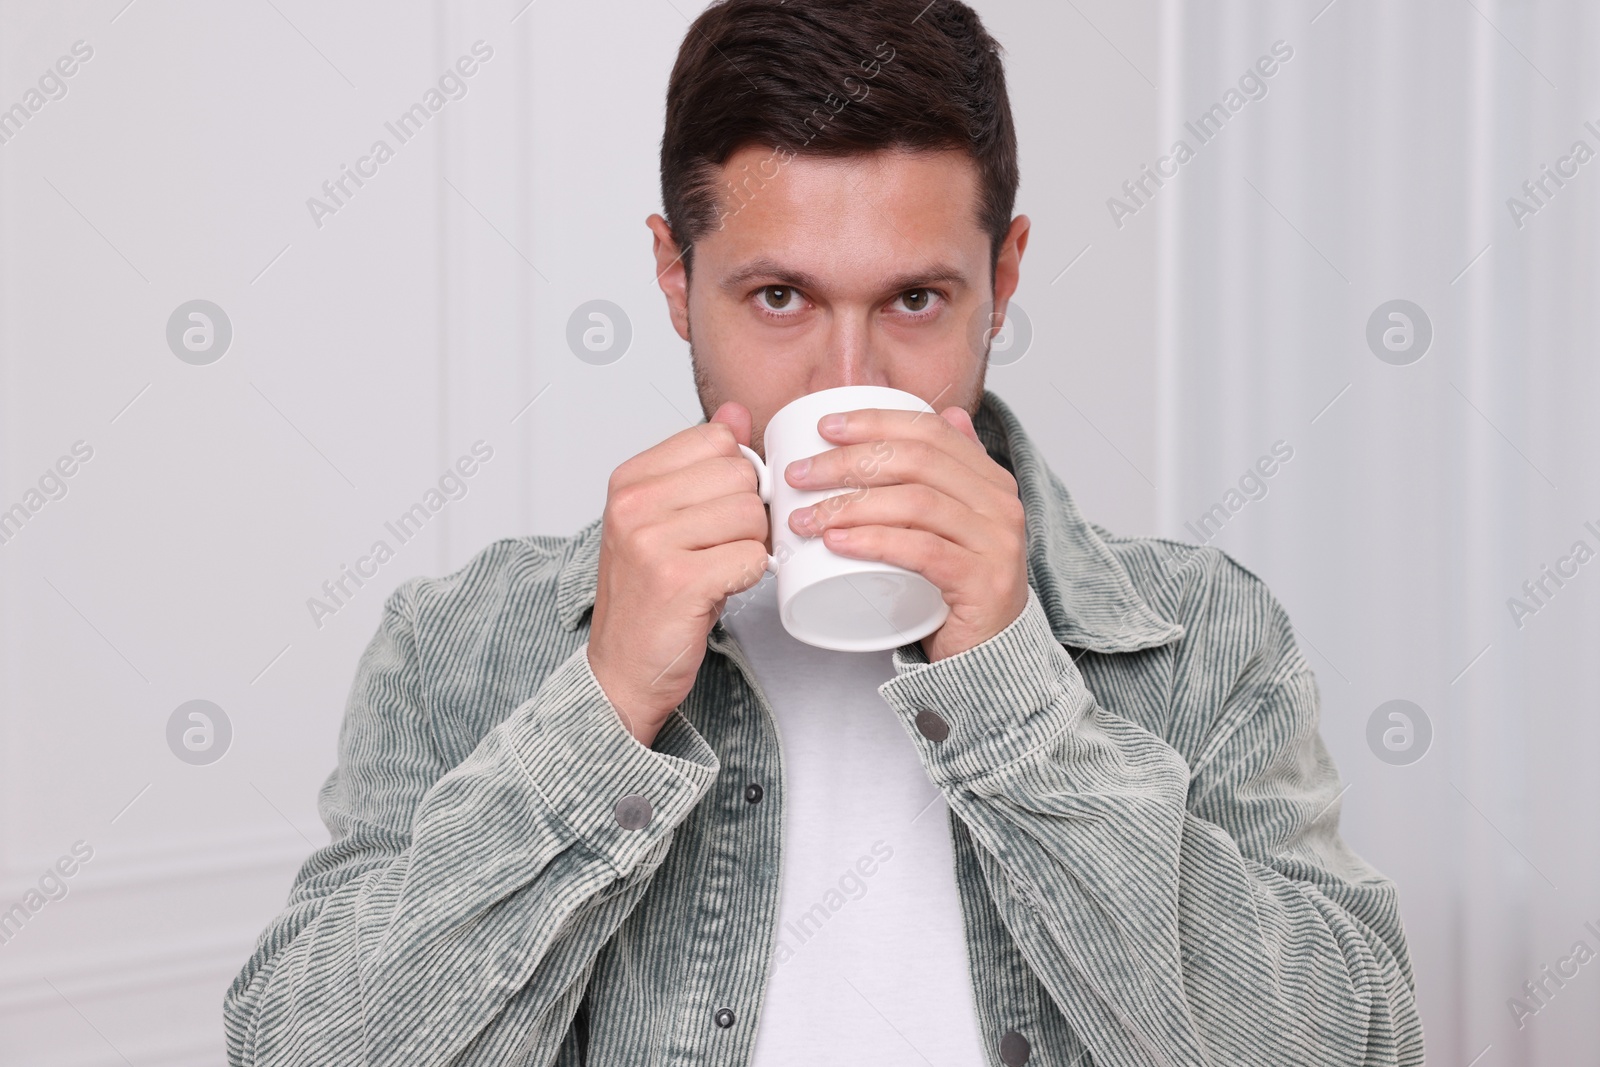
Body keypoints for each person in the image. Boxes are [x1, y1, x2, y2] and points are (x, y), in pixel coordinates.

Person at [225, 1, 1424, 1064]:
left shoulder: (1202, 636)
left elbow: (1356, 1045)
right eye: (778, 296)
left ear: (1002, 278)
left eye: (913, 298)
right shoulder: (460, 641)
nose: (842, 381)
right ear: (670, 274)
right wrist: (598, 712)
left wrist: (1015, 702)